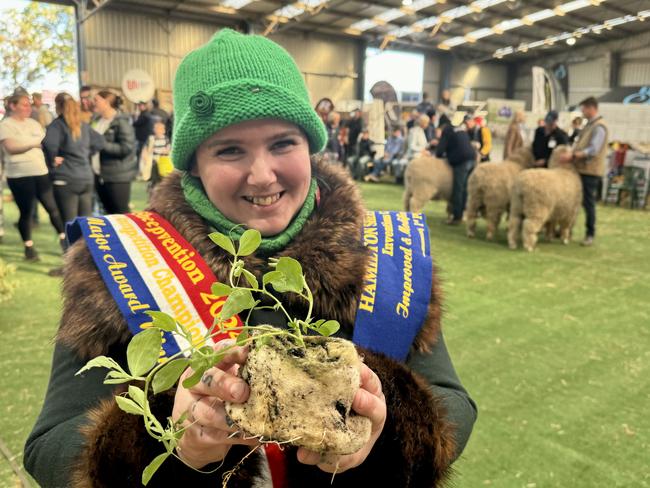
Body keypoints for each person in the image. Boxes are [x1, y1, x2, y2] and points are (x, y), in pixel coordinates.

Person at [25, 29, 476, 487]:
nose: (262, 176)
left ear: (310, 146)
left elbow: (451, 402)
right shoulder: (117, 262)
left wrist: (385, 420)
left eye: (283, 143)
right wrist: (167, 434)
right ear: (194, 162)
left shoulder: (382, 252)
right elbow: (51, 449)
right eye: (229, 150)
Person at [0, 93, 66, 260]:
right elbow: (11, 147)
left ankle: (64, 240)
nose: (28, 107)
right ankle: (29, 247)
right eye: (23, 104)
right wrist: (35, 143)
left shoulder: (34, 123)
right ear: (13, 106)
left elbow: (48, 143)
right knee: (26, 212)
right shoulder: (6, 125)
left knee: (53, 208)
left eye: (29, 104)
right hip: (20, 175)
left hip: (40, 171)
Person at [42, 92, 104, 225]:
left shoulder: (57, 125)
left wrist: (52, 160)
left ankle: (70, 246)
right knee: (86, 225)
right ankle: (85, 246)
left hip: (66, 178)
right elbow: (100, 142)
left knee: (70, 224)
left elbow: (48, 144)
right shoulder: (84, 126)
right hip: (86, 177)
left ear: (58, 106)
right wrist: (86, 153)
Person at [91, 90, 137, 214]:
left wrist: (102, 144)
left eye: (96, 100)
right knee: (109, 216)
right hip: (100, 175)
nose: (93, 103)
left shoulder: (122, 122)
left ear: (106, 102)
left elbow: (126, 148)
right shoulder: (96, 121)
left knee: (121, 215)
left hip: (117, 177)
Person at [571, 97, 608, 247]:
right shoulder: (590, 125)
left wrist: (573, 155)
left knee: (588, 203)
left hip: (590, 171)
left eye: (583, 109)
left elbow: (593, 150)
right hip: (581, 169)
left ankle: (590, 234)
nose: (582, 112)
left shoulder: (599, 127)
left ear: (591, 108)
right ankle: (567, 229)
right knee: (573, 202)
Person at [435, 114, 476, 225]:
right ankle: (464, 213)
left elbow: (440, 150)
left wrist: (438, 155)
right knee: (466, 188)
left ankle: (457, 217)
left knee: (458, 189)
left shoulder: (447, 130)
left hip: (461, 161)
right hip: (472, 158)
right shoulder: (459, 128)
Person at [139, 120, 171, 195]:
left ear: (163, 130)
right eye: (156, 129)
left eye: (160, 129)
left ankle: (161, 192)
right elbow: (145, 150)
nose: (158, 131)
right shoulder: (151, 139)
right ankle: (152, 191)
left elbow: (168, 149)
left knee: (162, 178)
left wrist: (166, 152)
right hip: (153, 161)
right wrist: (145, 157)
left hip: (162, 162)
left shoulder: (165, 139)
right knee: (153, 178)